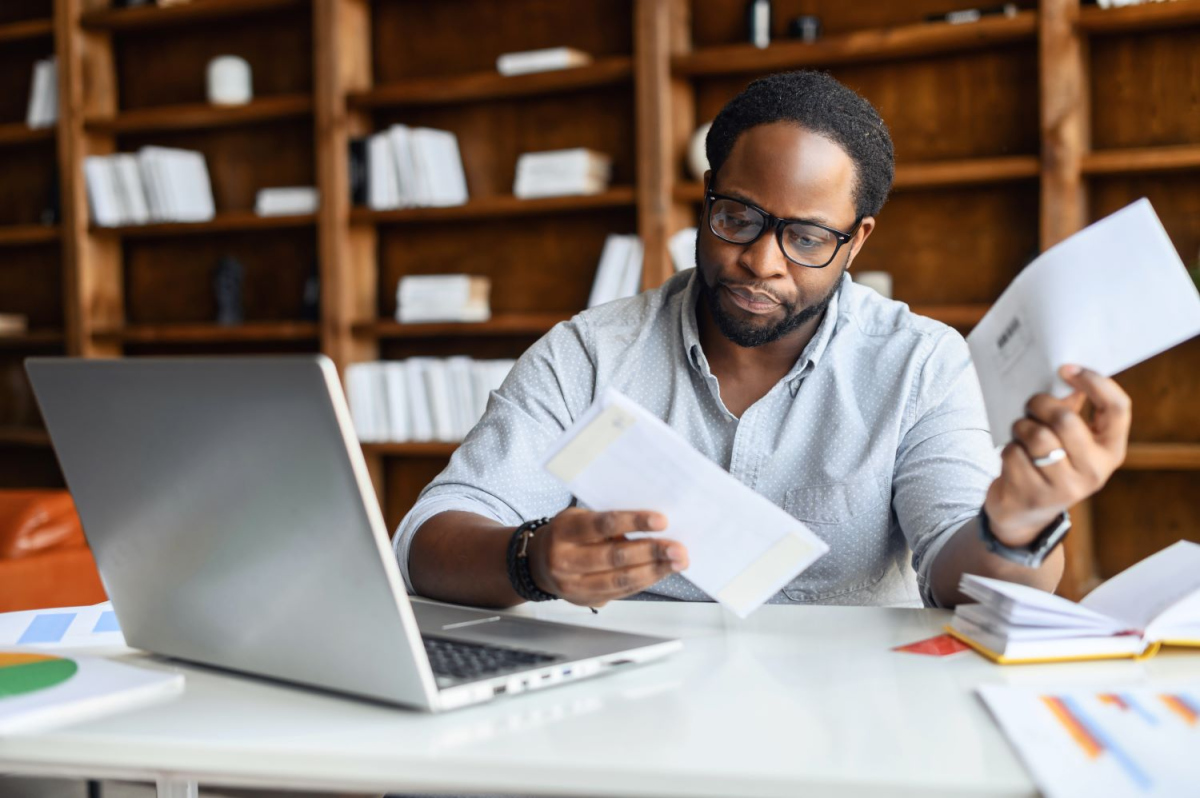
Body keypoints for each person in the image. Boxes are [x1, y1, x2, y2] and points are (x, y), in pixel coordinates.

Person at [393, 70, 1131, 610]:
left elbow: (958, 580)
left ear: (857, 240)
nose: (761, 259)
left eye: (807, 237)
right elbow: (429, 539)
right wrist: (532, 560)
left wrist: (1017, 524)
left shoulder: (919, 363)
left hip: (844, 725)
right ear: (707, 195)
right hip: (630, 720)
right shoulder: (589, 353)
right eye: (738, 217)